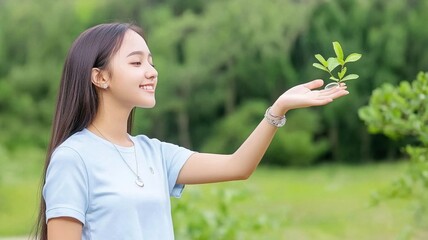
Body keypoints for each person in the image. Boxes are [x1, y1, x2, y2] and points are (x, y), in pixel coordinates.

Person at [34, 22, 349, 240]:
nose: (151, 72)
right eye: (136, 62)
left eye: (151, 62)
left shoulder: (154, 152)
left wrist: (277, 110)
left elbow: (237, 166)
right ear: (100, 78)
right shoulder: (73, 158)